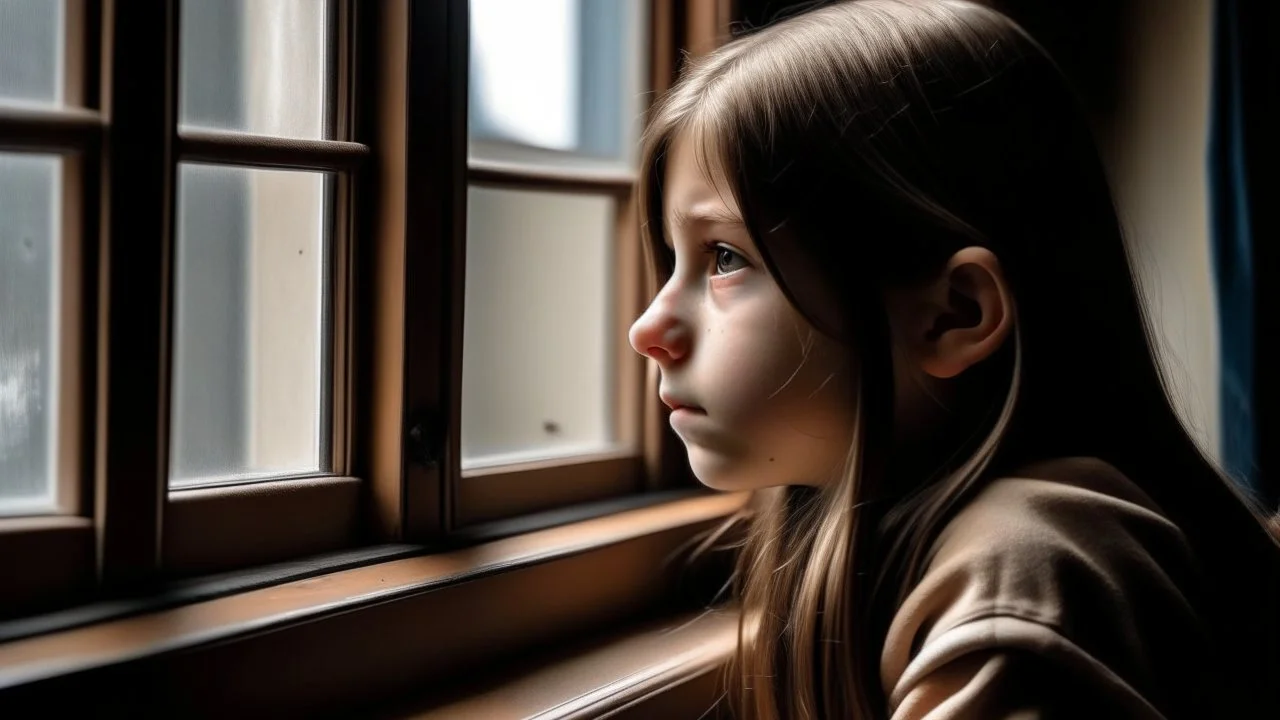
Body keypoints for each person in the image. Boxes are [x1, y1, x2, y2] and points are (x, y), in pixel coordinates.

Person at [626, 1, 1280, 717]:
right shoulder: (924, 542)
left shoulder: (1022, 586)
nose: (648, 327)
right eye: (675, 260)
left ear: (953, 315)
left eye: (723, 257)